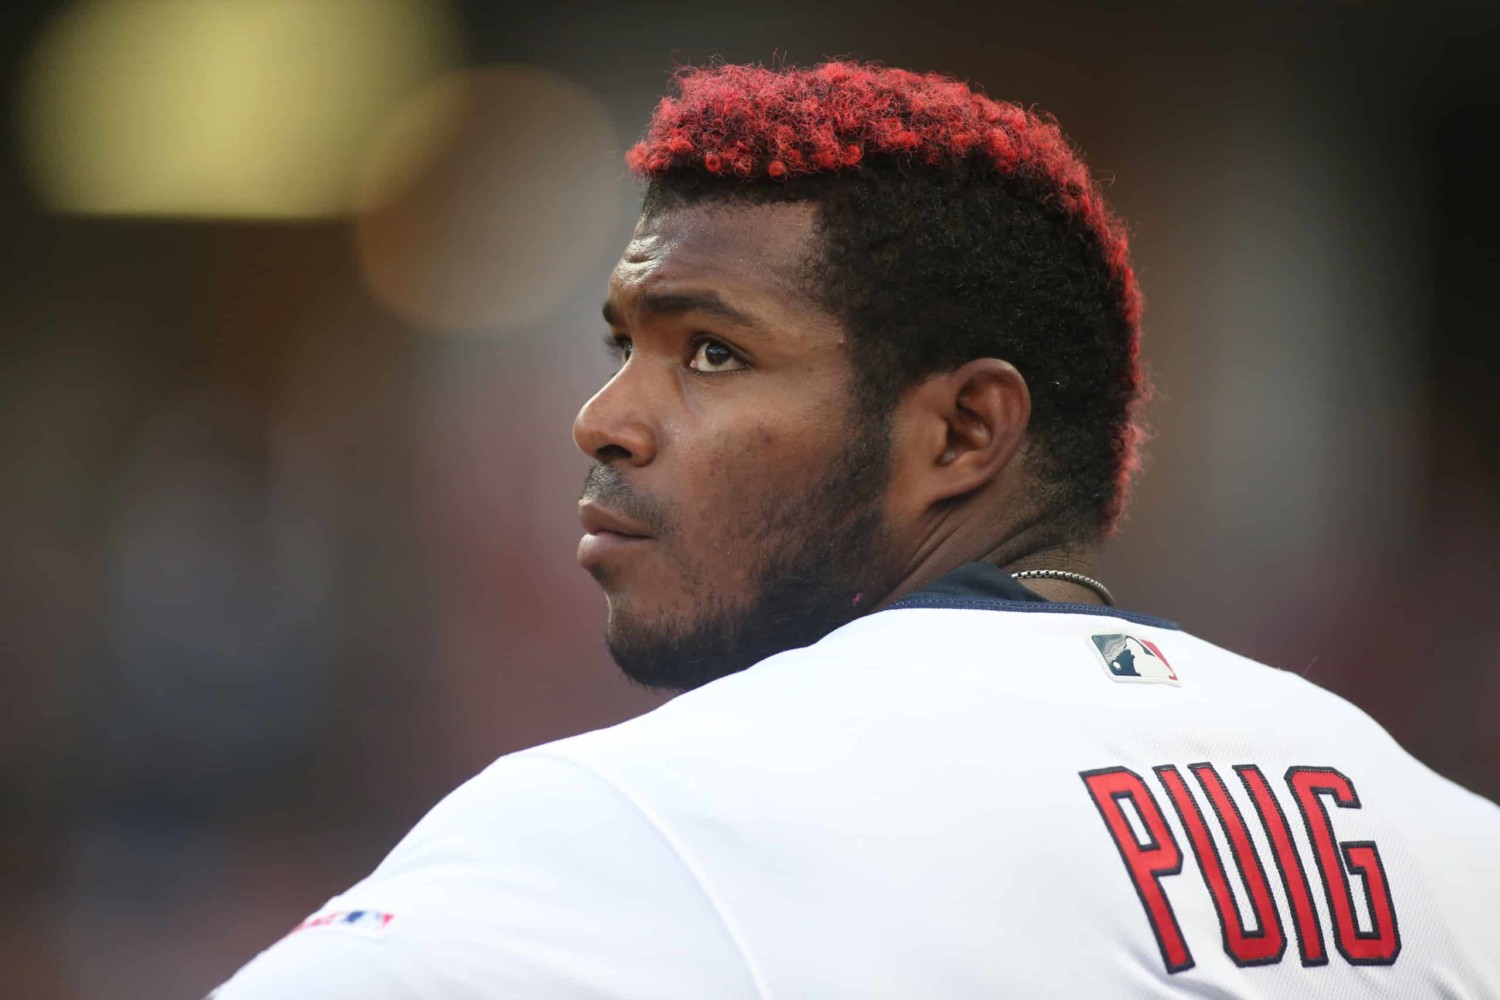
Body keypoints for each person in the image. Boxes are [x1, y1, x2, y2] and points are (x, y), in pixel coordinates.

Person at [211, 60, 1500, 998]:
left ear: (959, 433)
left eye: (711, 354)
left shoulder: (645, 819)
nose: (603, 419)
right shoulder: (1449, 843)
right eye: (625, 345)